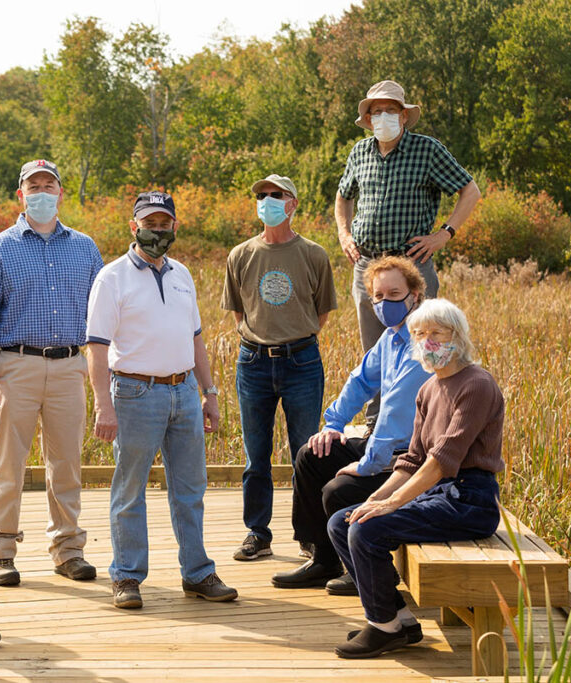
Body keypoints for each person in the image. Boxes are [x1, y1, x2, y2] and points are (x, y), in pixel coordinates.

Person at [327, 299, 505, 659]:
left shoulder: (477, 384)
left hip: (470, 500)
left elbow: (441, 460)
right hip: (438, 494)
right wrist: (377, 498)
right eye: (419, 334)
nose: (427, 341)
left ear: (458, 336)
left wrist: (393, 503)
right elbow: (412, 460)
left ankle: (381, 626)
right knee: (341, 522)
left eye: (436, 333)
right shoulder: (428, 389)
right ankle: (398, 621)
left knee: (366, 530)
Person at [86, 191, 238, 609]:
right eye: (149, 223)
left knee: (190, 488)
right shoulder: (111, 277)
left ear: (175, 226)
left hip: (184, 390)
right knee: (129, 488)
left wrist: (209, 393)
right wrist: (103, 404)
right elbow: (96, 348)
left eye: (164, 223)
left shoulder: (182, 274)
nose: (158, 230)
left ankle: (198, 573)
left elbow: (196, 339)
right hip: (135, 393)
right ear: (133, 227)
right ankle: (128, 576)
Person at [0, 159, 104, 586]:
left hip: (69, 365)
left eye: (49, 185)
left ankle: (68, 550)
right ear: (20, 194)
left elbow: (101, 318)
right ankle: (0, 551)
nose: (42, 192)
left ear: (61, 193)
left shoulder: (85, 247)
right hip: (15, 365)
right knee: (7, 464)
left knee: (66, 463)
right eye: (33, 186)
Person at [271, 257, 431, 599]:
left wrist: (365, 464)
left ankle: (363, 567)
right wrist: (334, 424)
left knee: (338, 491)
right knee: (312, 454)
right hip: (387, 449)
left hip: (412, 461)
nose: (385, 303)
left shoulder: (423, 344)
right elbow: (360, 381)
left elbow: (393, 415)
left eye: (394, 294)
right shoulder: (391, 338)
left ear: (415, 295)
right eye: (378, 296)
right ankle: (323, 559)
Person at [335, 80, 481, 431]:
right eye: (376, 111)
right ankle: (377, 425)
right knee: (375, 349)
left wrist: (443, 234)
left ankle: (423, 423)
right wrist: (343, 233)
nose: (383, 116)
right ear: (368, 119)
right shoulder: (359, 152)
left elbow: (470, 190)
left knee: (426, 344)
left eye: (390, 110)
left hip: (412, 263)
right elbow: (343, 197)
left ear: (403, 115)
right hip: (368, 265)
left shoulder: (427, 150)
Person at [222, 174, 337, 561]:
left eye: (276, 195)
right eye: (262, 195)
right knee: (257, 456)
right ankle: (258, 532)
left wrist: (292, 339)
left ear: (293, 203)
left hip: (302, 361)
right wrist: (262, 338)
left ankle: (308, 534)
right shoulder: (240, 255)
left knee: (306, 454)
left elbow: (321, 312)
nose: (267, 201)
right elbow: (238, 311)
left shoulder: (314, 254)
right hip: (253, 361)